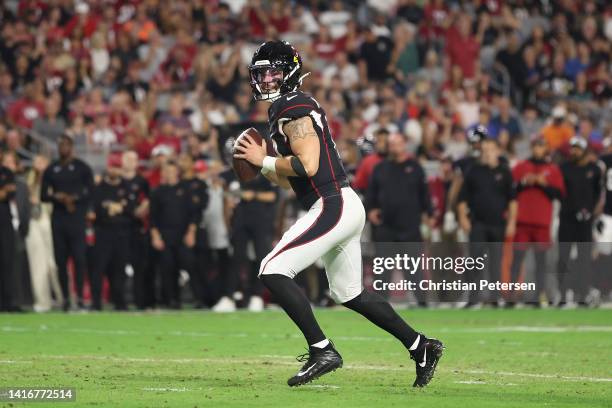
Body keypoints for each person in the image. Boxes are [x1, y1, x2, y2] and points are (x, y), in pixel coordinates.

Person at [234, 41, 443, 388]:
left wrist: (264, 161)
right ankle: (421, 346)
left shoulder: (292, 105)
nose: (266, 79)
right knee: (349, 293)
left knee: (272, 269)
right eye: (261, 73)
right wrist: (267, 166)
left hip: (333, 203)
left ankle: (322, 350)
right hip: (339, 203)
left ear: (290, 72)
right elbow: (294, 178)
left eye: (273, 71)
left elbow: (308, 164)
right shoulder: (291, 108)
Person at [457, 138, 517, 307]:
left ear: (497, 151)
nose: (486, 153)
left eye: (490, 149)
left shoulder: (505, 172)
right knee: (475, 261)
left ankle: (494, 298)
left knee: (496, 263)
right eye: (484, 149)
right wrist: (463, 217)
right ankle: (473, 299)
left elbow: (512, 200)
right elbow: (462, 198)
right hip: (478, 223)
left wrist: (512, 222)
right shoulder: (473, 171)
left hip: (498, 223)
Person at [509, 136, 565, 306]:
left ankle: (537, 296)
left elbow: (559, 194)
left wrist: (543, 184)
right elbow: (510, 190)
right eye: (536, 146)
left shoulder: (552, 170)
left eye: (541, 146)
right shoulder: (521, 167)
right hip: (523, 221)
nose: (538, 149)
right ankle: (511, 297)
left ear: (546, 148)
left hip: (542, 223)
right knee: (517, 259)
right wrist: (524, 182)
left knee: (541, 261)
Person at [41, 134, 94, 311]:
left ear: (72, 147)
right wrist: (58, 197)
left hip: (77, 219)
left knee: (79, 258)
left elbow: (91, 191)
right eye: (60, 145)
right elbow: (43, 195)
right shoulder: (52, 168)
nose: (63, 148)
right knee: (60, 260)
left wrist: (75, 199)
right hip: (58, 219)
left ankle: (79, 297)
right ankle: (64, 298)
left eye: (66, 145)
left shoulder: (82, 168)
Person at [557, 137, 603, 306]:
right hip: (567, 219)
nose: (574, 151)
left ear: (585, 150)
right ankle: (562, 295)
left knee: (584, 259)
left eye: (578, 148)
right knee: (563, 257)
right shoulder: (564, 168)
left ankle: (583, 295)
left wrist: (592, 213)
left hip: (585, 221)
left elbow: (599, 194)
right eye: (573, 148)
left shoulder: (595, 170)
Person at [149, 160, 198, 309]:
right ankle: (170, 300)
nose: (169, 173)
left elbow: (193, 214)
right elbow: (153, 217)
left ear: (177, 172)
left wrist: (191, 233)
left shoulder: (186, 189)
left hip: (183, 234)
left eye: (172, 170)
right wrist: (155, 236)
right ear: (163, 173)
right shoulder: (157, 192)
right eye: (166, 171)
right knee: (167, 268)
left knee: (190, 264)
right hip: (165, 235)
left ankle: (200, 298)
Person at [90, 153, 134, 310]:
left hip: (122, 232)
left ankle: (119, 301)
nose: (114, 171)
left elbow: (130, 209)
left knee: (119, 269)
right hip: (103, 232)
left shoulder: (126, 187)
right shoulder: (99, 187)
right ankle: (96, 303)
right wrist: (115, 208)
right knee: (99, 268)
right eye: (112, 167)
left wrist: (112, 208)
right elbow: (97, 211)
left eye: (117, 167)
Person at [25, 155, 63, 312]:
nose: (38, 166)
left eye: (42, 162)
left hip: (51, 221)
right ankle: (42, 301)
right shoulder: (29, 179)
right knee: (38, 264)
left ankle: (64, 299)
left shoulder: (55, 180)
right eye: (36, 163)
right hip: (34, 221)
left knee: (54, 263)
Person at [122, 150, 153, 309]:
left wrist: (143, 209)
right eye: (127, 158)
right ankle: (120, 301)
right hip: (120, 228)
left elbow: (149, 199)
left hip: (137, 227)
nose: (129, 161)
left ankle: (140, 301)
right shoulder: (118, 180)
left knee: (139, 266)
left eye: (133, 159)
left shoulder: (141, 181)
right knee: (119, 265)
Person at [0, 150, 17, 312]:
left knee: (7, 261)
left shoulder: (7, 172)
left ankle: (8, 302)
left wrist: (5, 192)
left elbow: (11, 192)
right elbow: (4, 192)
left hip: (5, 220)